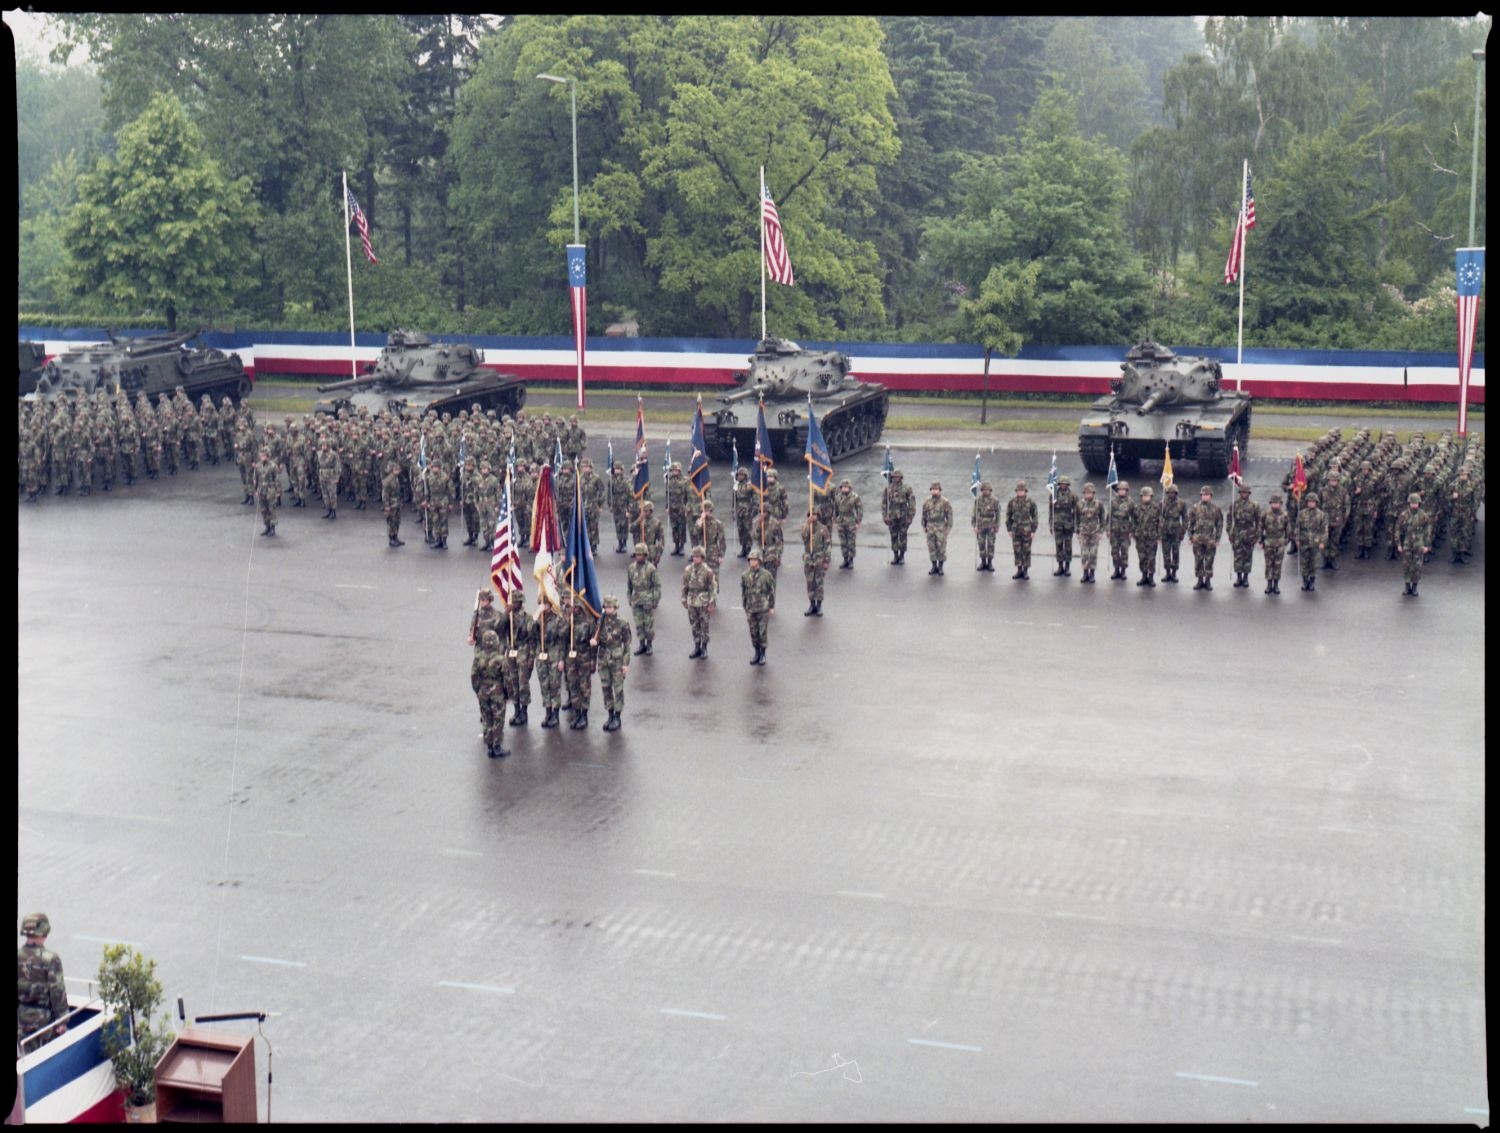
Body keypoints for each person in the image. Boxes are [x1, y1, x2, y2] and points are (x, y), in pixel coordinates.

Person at [17, 913, 68, 1053]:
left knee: (26, 1059)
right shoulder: (51, 959)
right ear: (44, 932)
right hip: (45, 1022)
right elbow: (57, 992)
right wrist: (62, 1022)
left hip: (22, 1019)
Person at [592, 595, 632, 731]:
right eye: (606, 607)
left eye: (610, 607)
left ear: (615, 608)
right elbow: (597, 640)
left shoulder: (622, 623)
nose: (608, 610)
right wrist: (594, 642)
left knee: (618, 688)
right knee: (606, 687)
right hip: (603, 659)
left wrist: (626, 663)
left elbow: (627, 644)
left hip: (616, 659)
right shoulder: (600, 622)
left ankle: (617, 716)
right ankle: (610, 713)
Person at [500, 591, 537, 726]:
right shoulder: (508, 616)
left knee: (523, 684)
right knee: (512, 682)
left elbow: (533, 640)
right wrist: (505, 614)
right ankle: (516, 710)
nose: (513, 604)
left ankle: (524, 712)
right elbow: (500, 629)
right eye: (512, 601)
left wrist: (531, 658)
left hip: (523, 652)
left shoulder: (527, 618)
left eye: (515, 602)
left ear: (520, 603)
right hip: (511, 652)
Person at [562, 596, 599, 729]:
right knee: (573, 685)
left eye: (572, 606)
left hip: (584, 658)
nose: (570, 608)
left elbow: (594, 644)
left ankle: (584, 715)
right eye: (569, 607)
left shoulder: (588, 622)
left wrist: (593, 662)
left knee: (584, 687)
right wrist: (567, 622)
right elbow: (562, 638)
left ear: (578, 607)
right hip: (570, 658)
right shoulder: (568, 620)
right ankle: (577, 712)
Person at [475, 630, 510, 758]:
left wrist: (478, 690)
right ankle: (497, 746)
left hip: (483, 692)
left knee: (487, 719)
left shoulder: (478, 657)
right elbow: (507, 678)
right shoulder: (500, 659)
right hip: (497, 693)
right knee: (498, 719)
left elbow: (474, 676)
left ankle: (489, 746)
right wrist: (508, 693)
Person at [1394, 492, 1433, 597]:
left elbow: (1428, 529)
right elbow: (1397, 528)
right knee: (1406, 565)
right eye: (1412, 503)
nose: (1414, 505)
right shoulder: (1404, 514)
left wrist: (1427, 545)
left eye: (1416, 503)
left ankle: (1415, 586)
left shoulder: (1423, 515)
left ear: (1419, 503)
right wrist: (1398, 543)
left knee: (1417, 565)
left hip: (1419, 543)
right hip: (1407, 542)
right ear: (1409, 503)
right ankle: (1407, 586)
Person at [682, 545, 717, 659]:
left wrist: (712, 603)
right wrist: (683, 599)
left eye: (698, 557)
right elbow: (684, 585)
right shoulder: (688, 570)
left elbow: (712, 587)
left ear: (702, 558)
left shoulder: (707, 571)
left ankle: (704, 648)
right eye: (694, 557)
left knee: (704, 625)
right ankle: (696, 646)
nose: (695, 559)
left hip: (703, 601)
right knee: (694, 625)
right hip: (692, 600)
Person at [741, 547, 776, 665]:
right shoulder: (745, 575)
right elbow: (744, 592)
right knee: (753, 632)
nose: (752, 562)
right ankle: (756, 653)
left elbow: (771, 591)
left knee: (762, 632)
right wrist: (745, 607)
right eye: (751, 560)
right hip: (751, 607)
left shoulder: (766, 575)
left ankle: (763, 654)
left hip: (763, 608)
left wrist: (771, 606)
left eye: (755, 560)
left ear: (759, 561)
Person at [627, 542, 661, 656]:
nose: (638, 557)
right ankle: (641, 644)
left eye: (641, 554)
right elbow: (629, 584)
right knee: (638, 623)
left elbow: (657, 586)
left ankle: (649, 645)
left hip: (647, 599)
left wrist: (655, 600)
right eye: (637, 554)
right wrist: (629, 597)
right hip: (636, 599)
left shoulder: (651, 568)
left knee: (648, 623)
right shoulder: (631, 568)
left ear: (645, 555)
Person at [1188, 484, 1224, 590]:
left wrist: (1218, 539)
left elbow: (1219, 524)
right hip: (1198, 539)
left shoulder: (1216, 509)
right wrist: (1190, 536)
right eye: (1203, 494)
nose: (1205, 496)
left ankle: (1207, 581)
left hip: (1210, 539)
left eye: (1207, 494)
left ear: (1211, 496)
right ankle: (1199, 580)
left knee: (1209, 560)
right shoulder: (1195, 508)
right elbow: (1190, 523)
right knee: (1198, 560)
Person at [1227, 483, 1262, 588]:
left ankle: (1246, 578)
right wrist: (1229, 531)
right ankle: (1238, 577)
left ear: (1249, 493)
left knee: (1247, 556)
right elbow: (1229, 519)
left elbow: (1258, 520)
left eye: (1246, 492)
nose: (1244, 494)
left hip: (1249, 532)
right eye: (1242, 492)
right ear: (1240, 493)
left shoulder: (1254, 505)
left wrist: (1257, 534)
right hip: (1237, 532)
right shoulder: (1235, 504)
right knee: (1237, 556)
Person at [1005, 480, 1038, 580]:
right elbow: (1008, 515)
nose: (1020, 492)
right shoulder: (1012, 502)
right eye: (1018, 490)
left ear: (1025, 491)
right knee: (1017, 550)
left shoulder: (1031, 502)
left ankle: (1025, 570)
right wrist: (1009, 529)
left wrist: (1033, 530)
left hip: (1027, 530)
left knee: (1026, 550)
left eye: (1022, 490)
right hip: (1016, 530)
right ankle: (1019, 569)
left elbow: (1035, 516)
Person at [1258, 494, 1291, 595]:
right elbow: (1260, 527)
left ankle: (1276, 585)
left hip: (1280, 543)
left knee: (1277, 565)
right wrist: (1261, 540)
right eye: (1273, 503)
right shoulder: (1266, 514)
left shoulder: (1285, 515)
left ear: (1280, 504)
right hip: (1268, 542)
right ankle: (1269, 584)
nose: (1275, 505)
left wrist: (1286, 541)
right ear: (1271, 504)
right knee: (1268, 564)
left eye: (1277, 503)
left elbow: (1288, 529)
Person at [801, 509, 831, 616]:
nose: (812, 516)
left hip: (819, 558)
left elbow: (827, 545)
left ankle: (819, 605)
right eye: (810, 514)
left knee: (819, 582)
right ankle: (811, 604)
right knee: (810, 583)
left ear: (818, 515)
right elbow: (804, 538)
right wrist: (807, 525)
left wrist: (827, 560)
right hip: (809, 558)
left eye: (814, 514)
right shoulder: (806, 527)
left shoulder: (823, 529)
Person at [882, 469, 915, 564]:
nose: (895, 478)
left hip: (903, 515)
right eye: (893, 477)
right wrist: (885, 516)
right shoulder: (888, 488)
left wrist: (910, 517)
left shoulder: (907, 488)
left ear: (901, 477)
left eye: (897, 477)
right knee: (894, 536)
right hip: (892, 516)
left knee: (903, 536)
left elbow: (912, 503)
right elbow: (884, 503)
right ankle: (895, 555)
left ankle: (902, 556)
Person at [1295, 492, 1328, 592]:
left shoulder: (1322, 515)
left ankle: (1312, 581)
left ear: (1316, 503)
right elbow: (1297, 528)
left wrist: (1323, 542)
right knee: (1304, 562)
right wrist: (1297, 539)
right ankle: (1305, 581)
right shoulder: (1301, 514)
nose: (1311, 504)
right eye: (1309, 502)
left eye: (1313, 502)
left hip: (1315, 541)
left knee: (1313, 563)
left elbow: (1324, 530)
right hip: (1304, 541)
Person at [1075, 482, 1105, 584]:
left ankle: (1092, 573)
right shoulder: (1079, 504)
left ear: (1093, 493)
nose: (1088, 495)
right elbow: (1076, 518)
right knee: (1084, 554)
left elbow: (1102, 518)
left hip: (1094, 533)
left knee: (1093, 554)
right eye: (1086, 493)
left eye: (1090, 493)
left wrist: (1101, 531)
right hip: (1083, 532)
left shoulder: (1098, 504)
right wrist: (1077, 531)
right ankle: (1085, 573)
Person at [921, 481, 953, 575]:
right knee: (931, 547)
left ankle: (940, 567)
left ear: (940, 490)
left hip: (940, 527)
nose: (934, 491)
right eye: (933, 489)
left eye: (936, 489)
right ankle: (934, 566)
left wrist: (947, 529)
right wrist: (924, 525)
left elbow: (949, 516)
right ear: (931, 490)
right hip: (930, 527)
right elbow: (924, 514)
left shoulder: (945, 502)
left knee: (941, 547)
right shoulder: (927, 501)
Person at [1133, 485, 1161, 586]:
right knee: (1142, 557)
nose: (1145, 498)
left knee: (1151, 558)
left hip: (1152, 537)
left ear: (1151, 496)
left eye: (1147, 496)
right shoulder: (1137, 508)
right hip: (1140, 537)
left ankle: (1151, 577)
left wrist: (1159, 535)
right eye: (1144, 496)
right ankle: (1144, 576)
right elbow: (1134, 521)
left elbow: (1160, 522)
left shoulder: (1156, 508)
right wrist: (1134, 532)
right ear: (1141, 497)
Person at [1107, 480, 1135, 581]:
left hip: (1125, 531)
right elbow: (1108, 517)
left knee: (1124, 551)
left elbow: (1134, 517)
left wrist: (1132, 531)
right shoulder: (1113, 501)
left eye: (1123, 490)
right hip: (1114, 530)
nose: (1121, 491)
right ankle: (1116, 569)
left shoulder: (1130, 502)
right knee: (1114, 551)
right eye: (1120, 490)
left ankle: (1123, 570)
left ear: (1127, 491)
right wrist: (1108, 530)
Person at [1159, 483, 1187, 583]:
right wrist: (1159, 531)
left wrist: (1183, 531)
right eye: (1169, 492)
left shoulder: (1181, 503)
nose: (1171, 494)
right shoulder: (1162, 503)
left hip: (1176, 531)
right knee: (1166, 553)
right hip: (1165, 531)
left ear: (1176, 493)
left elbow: (1185, 518)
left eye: (1173, 493)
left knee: (1175, 553)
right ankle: (1167, 572)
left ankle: (1174, 573)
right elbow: (1159, 518)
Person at [1050, 475, 1078, 576]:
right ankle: (1060, 566)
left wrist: (1076, 525)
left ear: (1068, 485)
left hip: (1068, 525)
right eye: (1061, 484)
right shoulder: (1054, 495)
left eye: (1065, 484)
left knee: (1068, 546)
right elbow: (1051, 511)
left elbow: (1076, 511)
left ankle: (1067, 567)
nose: (1063, 485)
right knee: (1058, 545)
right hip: (1057, 524)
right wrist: (1050, 524)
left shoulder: (1073, 495)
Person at [833, 479, 863, 569]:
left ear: (850, 487)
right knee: (843, 542)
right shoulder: (838, 497)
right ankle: (845, 559)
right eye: (843, 487)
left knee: (851, 542)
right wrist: (835, 521)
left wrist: (858, 521)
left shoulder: (855, 497)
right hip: (841, 521)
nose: (844, 489)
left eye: (846, 487)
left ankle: (851, 560)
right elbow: (836, 510)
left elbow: (859, 509)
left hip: (851, 521)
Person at [971, 481, 1001, 572]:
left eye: (987, 490)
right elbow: (974, 513)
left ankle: (990, 562)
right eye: (983, 490)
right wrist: (974, 525)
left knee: (991, 544)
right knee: (981, 544)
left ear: (990, 490)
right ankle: (983, 562)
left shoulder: (995, 500)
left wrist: (997, 525)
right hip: (981, 524)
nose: (985, 491)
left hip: (991, 524)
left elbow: (998, 514)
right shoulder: (978, 500)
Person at [253, 450, 281, 537]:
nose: (262, 457)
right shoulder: (258, 466)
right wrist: (256, 490)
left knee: (271, 509)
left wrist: (278, 491)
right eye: (261, 456)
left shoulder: (273, 466)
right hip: (261, 490)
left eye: (264, 456)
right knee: (264, 509)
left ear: (268, 456)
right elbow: (255, 478)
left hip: (270, 489)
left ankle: (272, 528)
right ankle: (267, 526)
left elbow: (277, 479)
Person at [732, 467, 756, 557]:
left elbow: (755, 497)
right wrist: (733, 512)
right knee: (740, 529)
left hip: (747, 510)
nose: (740, 477)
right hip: (739, 511)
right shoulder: (736, 486)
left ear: (745, 476)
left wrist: (754, 510)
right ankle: (743, 547)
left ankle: (749, 548)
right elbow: (733, 500)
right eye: (738, 475)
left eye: (742, 475)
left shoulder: (749, 486)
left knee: (748, 530)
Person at [382, 460, 405, 547]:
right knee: (391, 522)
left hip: (397, 503)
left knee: (397, 521)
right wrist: (386, 506)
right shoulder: (388, 481)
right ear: (392, 470)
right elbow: (385, 495)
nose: (398, 471)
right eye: (396, 470)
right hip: (391, 504)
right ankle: (391, 539)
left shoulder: (396, 478)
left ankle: (396, 537)